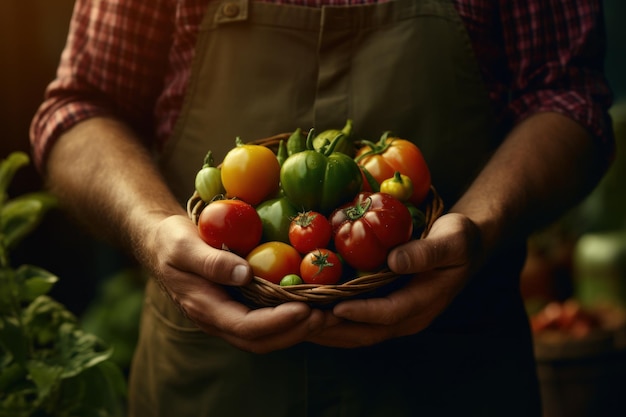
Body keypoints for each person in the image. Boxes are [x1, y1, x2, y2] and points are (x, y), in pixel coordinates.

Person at [30, 0, 614, 416]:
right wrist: (153, 228)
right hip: (215, 382)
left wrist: (481, 224)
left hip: (453, 371)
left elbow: (567, 96)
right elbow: (80, 105)